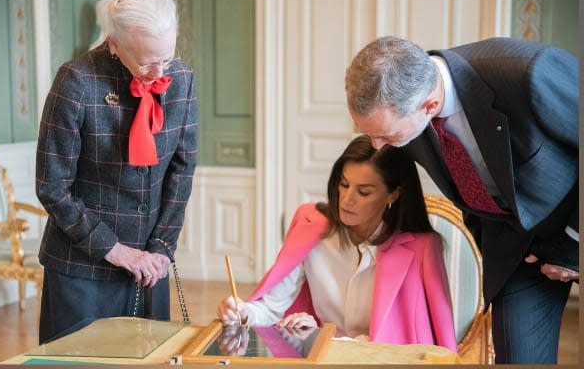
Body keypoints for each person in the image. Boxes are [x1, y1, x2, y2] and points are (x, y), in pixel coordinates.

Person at [345, 36, 578, 365]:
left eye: (386, 135)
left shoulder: (528, 74)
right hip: (517, 250)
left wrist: (572, 245)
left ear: (428, 106)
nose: (378, 145)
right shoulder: (404, 111)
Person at [35, 0, 198, 343]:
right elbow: (52, 187)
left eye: (166, 58)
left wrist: (160, 249)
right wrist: (119, 252)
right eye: (145, 61)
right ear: (113, 43)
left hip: (148, 270)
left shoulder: (183, 80)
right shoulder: (76, 81)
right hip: (82, 271)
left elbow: (182, 170)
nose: (158, 73)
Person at [217, 135, 457, 350]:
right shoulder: (310, 227)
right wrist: (241, 312)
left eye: (364, 192)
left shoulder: (423, 248)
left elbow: (438, 341)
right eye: (344, 184)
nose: (347, 200)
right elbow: (271, 308)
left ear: (393, 194)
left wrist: (323, 338)